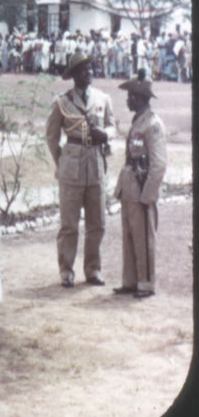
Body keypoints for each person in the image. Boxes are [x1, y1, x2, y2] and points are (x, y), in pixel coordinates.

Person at [46, 52, 115, 287]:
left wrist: (105, 134)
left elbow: (113, 126)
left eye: (92, 68)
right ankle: (66, 270)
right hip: (71, 166)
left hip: (96, 165)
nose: (90, 73)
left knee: (98, 222)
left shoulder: (103, 99)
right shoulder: (62, 102)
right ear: (74, 75)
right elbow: (51, 137)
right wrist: (62, 161)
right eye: (84, 70)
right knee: (69, 224)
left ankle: (93, 269)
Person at [113, 72, 167, 298]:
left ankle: (145, 283)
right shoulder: (138, 120)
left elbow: (159, 164)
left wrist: (148, 195)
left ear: (142, 98)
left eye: (131, 96)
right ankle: (130, 280)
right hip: (130, 185)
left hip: (141, 186)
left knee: (143, 235)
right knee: (129, 234)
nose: (128, 100)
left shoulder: (152, 124)